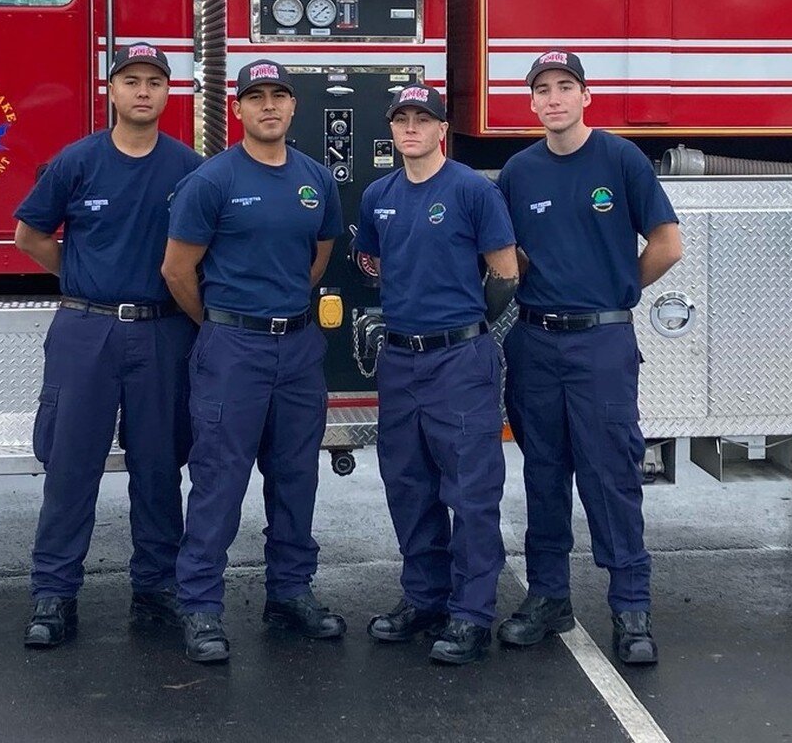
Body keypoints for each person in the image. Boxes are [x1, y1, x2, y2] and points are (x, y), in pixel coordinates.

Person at [496, 50, 682, 665]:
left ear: (585, 96)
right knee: (543, 472)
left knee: (611, 474)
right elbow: (512, 256)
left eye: (564, 86)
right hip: (534, 339)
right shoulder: (519, 172)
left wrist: (620, 290)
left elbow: (667, 245)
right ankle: (549, 597)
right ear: (531, 102)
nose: (553, 98)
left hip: (600, 343)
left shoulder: (620, 158)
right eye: (542, 89)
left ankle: (631, 607)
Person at [14, 43, 202, 648]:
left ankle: (157, 587)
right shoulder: (77, 162)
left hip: (162, 329)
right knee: (71, 466)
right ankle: (53, 593)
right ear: (111, 91)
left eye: (154, 81)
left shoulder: (190, 169)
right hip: (85, 331)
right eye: (131, 81)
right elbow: (29, 235)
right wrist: (81, 275)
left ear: (168, 93)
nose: (143, 91)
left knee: (158, 465)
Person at [162, 59, 345, 664]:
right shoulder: (211, 181)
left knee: (296, 476)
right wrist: (223, 324)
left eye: (279, 96)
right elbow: (177, 270)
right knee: (219, 478)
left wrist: (279, 314)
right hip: (231, 349)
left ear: (293, 107)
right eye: (256, 97)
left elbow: (315, 257)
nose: (269, 106)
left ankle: (290, 591)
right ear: (236, 109)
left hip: (296, 349)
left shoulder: (316, 178)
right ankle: (200, 606)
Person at [355, 85, 518, 665]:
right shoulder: (378, 194)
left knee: (470, 491)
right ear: (393, 130)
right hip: (400, 360)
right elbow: (372, 262)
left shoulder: (474, 191)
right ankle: (424, 598)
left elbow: (503, 274)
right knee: (409, 482)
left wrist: (463, 329)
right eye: (401, 119)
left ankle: (471, 614)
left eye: (423, 119)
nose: (411, 129)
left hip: (460, 361)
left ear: (442, 129)